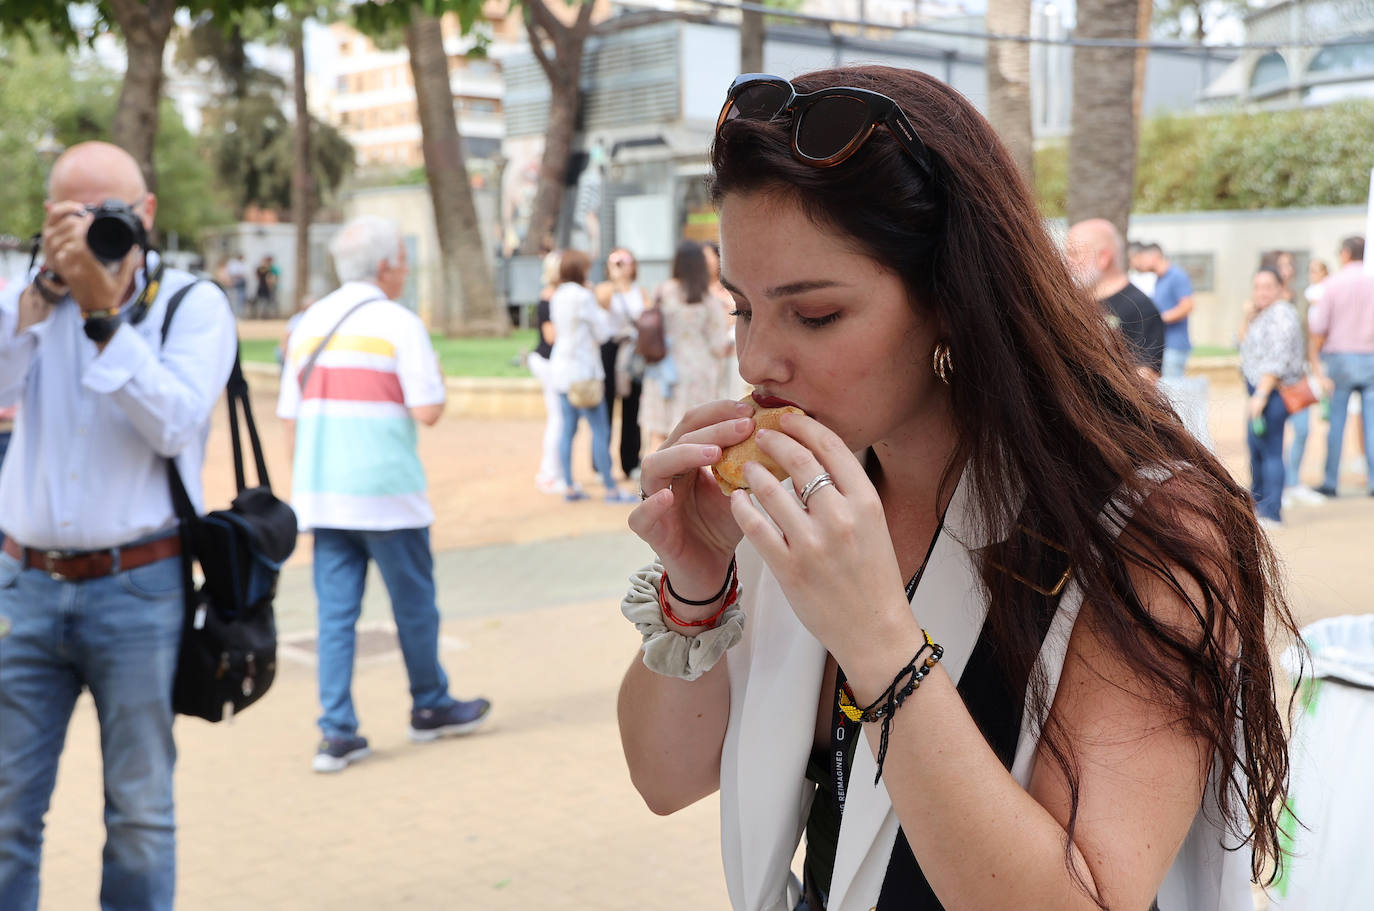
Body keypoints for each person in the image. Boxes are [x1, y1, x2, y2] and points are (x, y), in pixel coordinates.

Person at [616, 67, 1298, 911]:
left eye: (815, 314)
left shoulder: (1149, 524)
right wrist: (696, 583)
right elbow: (665, 776)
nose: (756, 362)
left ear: (952, 295)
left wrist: (875, 638)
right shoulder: (807, 495)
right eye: (742, 309)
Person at [0, 140, 238, 910]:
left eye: (114, 212)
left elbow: (174, 424)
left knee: (139, 814)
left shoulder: (190, 304)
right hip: (24, 586)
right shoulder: (27, 298)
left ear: (147, 213)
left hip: (138, 590)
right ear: (49, 219)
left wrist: (105, 314)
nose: (99, 227)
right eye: (78, 213)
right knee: (6, 811)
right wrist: (39, 303)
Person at [277, 215, 491, 773]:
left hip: (324, 496)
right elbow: (429, 410)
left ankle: (336, 732)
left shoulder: (306, 325)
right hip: (387, 494)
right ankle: (429, 705)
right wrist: (435, 377)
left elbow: (289, 419)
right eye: (403, 258)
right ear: (387, 265)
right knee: (414, 607)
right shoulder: (400, 324)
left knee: (334, 617)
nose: (406, 269)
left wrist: (304, 492)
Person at [548, 249, 637, 503]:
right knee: (600, 429)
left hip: (561, 370)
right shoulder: (583, 296)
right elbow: (601, 332)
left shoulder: (558, 295)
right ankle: (610, 488)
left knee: (568, 429)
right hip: (583, 371)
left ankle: (569, 486)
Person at [637, 241, 730, 452]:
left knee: (658, 433)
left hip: (664, 370)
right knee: (694, 435)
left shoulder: (662, 291)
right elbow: (718, 344)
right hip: (698, 373)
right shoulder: (707, 299)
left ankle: (652, 473)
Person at [1237, 268, 1306, 526]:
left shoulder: (1282, 315)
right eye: (1257, 287)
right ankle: (1258, 504)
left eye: (1267, 287)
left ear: (1279, 288)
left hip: (1272, 392)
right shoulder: (1262, 314)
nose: (1261, 292)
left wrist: (1261, 395)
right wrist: (1248, 316)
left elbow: (1278, 360)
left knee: (1271, 450)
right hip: (1259, 390)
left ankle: (1272, 511)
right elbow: (1241, 342)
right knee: (1256, 448)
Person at [1310, 236, 1374, 497]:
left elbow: (1318, 325)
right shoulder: (1371, 282)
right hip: (1370, 356)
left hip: (1341, 358)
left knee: (1336, 422)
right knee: (1371, 424)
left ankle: (1330, 481)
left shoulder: (1333, 285)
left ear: (1346, 253)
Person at [1066, 218, 1165, 379]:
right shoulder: (1073, 304)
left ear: (1103, 258)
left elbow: (1146, 378)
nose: (1067, 262)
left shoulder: (1141, 308)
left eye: (1074, 254)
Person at [595, 247, 647, 479]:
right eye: (615, 260)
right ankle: (601, 463)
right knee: (605, 406)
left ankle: (631, 461)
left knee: (633, 407)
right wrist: (616, 279)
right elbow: (603, 301)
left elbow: (647, 316)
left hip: (632, 350)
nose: (621, 265)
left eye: (625, 260)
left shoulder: (640, 292)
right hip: (610, 349)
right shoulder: (605, 289)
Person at [529, 250, 567, 495]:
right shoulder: (549, 298)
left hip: (552, 362)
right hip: (547, 362)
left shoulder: (561, 295)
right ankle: (548, 474)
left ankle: (556, 472)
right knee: (558, 419)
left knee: (561, 420)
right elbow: (550, 337)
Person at [1135, 242, 1194, 379]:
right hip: (1162, 346)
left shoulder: (1177, 276)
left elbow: (1187, 306)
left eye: (1143, 258)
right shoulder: (1159, 280)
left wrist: (1158, 319)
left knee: (1172, 388)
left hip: (1174, 346)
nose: (1141, 263)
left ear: (1154, 256)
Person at [253, 254, 278, 318]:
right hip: (264, 287)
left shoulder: (262, 269)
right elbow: (269, 278)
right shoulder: (267, 269)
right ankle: (263, 314)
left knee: (265, 301)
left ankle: (263, 314)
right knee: (264, 301)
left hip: (263, 287)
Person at [226, 252, 248, 316]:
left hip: (242, 282)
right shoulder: (233, 263)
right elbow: (232, 273)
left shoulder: (243, 264)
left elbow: (245, 273)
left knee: (241, 298)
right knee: (235, 298)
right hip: (235, 282)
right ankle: (235, 313)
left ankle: (240, 313)